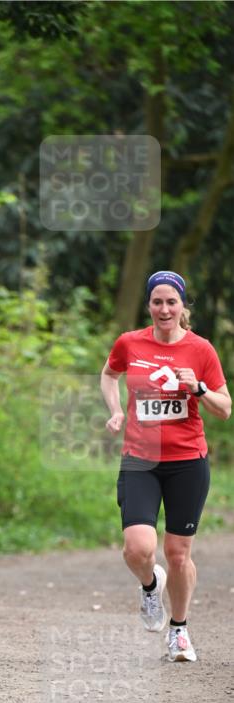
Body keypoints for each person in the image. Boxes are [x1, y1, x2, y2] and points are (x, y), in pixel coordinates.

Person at [101, 270, 230, 662]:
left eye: (171, 302)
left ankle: (179, 632)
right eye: (157, 301)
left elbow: (225, 408)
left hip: (188, 461)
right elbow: (109, 374)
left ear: (183, 307)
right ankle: (148, 585)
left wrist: (199, 388)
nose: (164, 309)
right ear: (149, 305)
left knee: (177, 553)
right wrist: (116, 410)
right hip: (141, 458)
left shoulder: (201, 350)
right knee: (137, 548)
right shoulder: (130, 343)